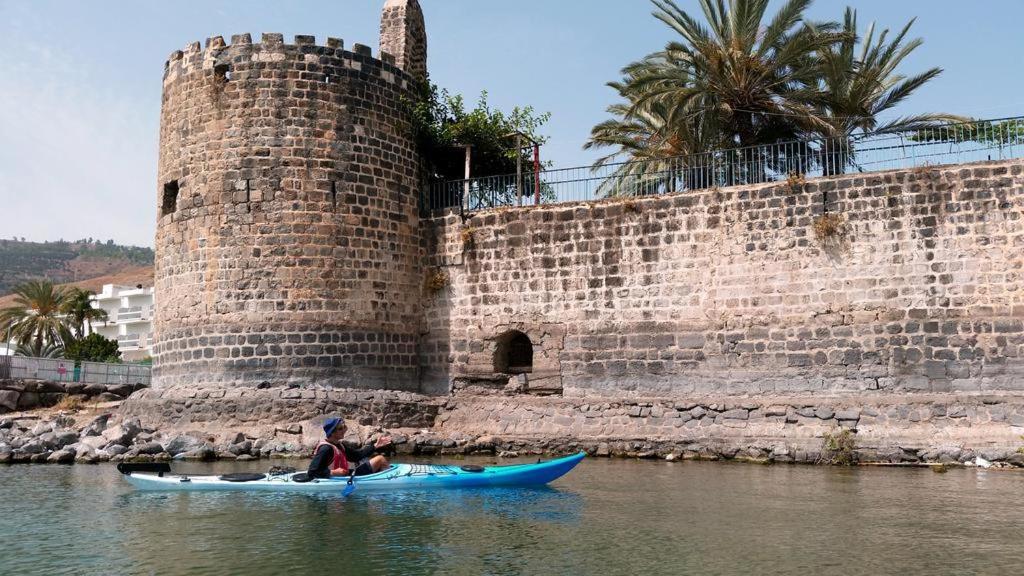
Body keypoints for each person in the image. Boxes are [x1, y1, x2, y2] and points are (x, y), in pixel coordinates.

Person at [307, 417, 392, 479]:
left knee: (380, 461)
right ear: (332, 433)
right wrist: (333, 472)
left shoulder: (340, 445)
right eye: (340, 429)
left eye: (344, 427)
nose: (344, 430)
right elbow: (312, 472)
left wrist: (375, 446)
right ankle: (390, 481)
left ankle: (383, 479)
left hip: (346, 475)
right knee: (380, 459)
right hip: (336, 479)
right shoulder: (325, 449)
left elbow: (356, 456)